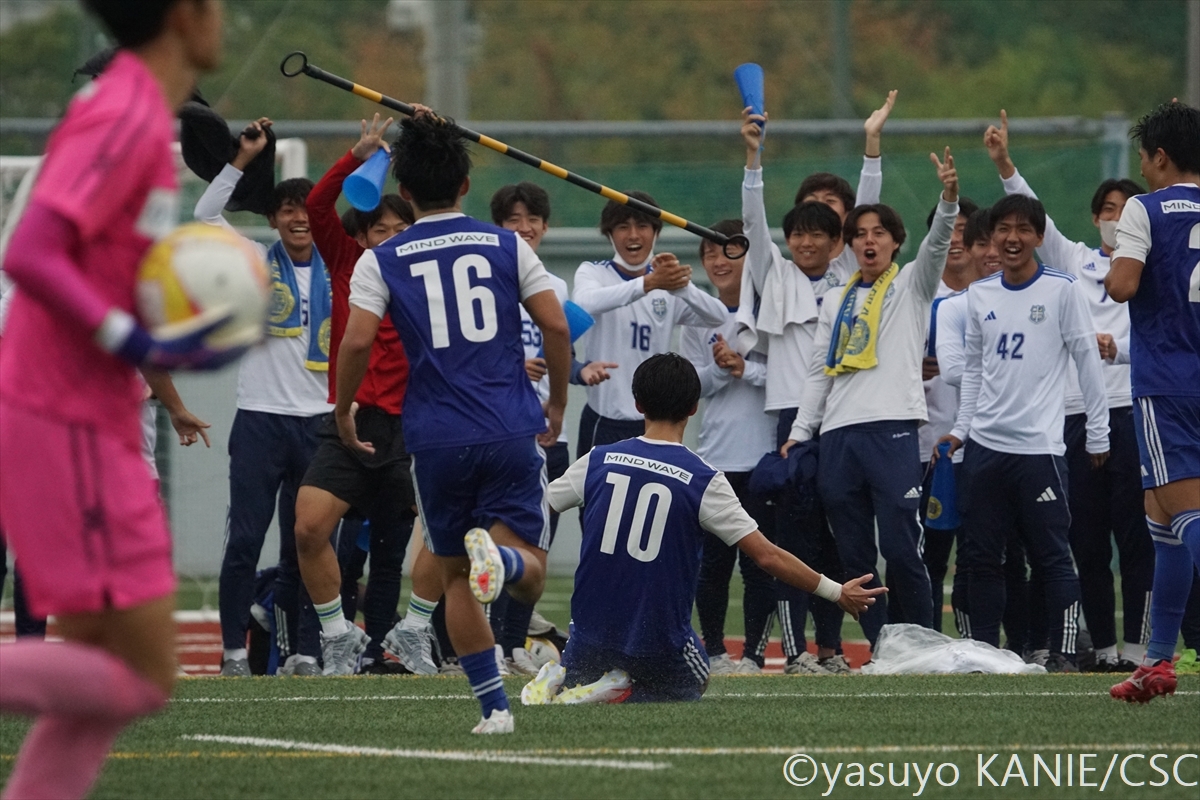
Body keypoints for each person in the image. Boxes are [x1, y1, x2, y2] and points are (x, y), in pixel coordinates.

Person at [0, 1, 224, 797]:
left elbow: (92, 268)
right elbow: (31, 253)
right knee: (142, 670)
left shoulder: (135, 114)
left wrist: (168, 327)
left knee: (104, 672)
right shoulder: (124, 114)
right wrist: (136, 342)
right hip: (64, 413)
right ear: (185, 15)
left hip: (85, 412)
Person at [339, 111, 570, 733]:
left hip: (436, 438)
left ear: (404, 192)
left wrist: (341, 408)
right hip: (508, 428)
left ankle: (494, 711)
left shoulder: (381, 258)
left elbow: (357, 341)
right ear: (465, 185)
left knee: (454, 576)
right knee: (526, 572)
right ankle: (504, 561)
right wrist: (556, 403)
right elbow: (554, 325)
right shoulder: (507, 245)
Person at [523, 353, 884, 704]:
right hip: (658, 642)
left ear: (638, 405)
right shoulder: (702, 479)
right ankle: (614, 693)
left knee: (589, 666)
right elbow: (767, 557)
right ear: (694, 408)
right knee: (696, 679)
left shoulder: (598, 459)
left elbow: (537, 508)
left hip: (589, 637)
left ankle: (572, 680)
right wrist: (837, 592)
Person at [987, 109, 1153, 671]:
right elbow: (1032, 215)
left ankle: (1139, 650)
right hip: (1075, 417)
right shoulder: (1075, 261)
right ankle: (1101, 648)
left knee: (1137, 538)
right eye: (1107, 210)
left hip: (1132, 410)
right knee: (1085, 540)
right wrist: (1005, 164)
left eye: (1125, 211)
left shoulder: (1153, 270)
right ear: (1095, 218)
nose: (1114, 219)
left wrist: (1118, 350)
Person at [781, 148, 961, 650]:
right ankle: (883, 646)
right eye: (859, 233)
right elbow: (818, 372)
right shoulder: (836, 299)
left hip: (892, 429)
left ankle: (921, 646)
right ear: (849, 244)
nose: (868, 240)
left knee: (901, 549)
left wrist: (949, 198)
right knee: (855, 557)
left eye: (878, 232)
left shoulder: (912, 284)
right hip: (839, 435)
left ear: (896, 242)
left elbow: (938, 243)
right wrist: (800, 432)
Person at [941, 193, 1110, 673]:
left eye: (1023, 229)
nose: (1012, 238)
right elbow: (975, 371)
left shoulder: (1063, 289)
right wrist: (962, 430)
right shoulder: (980, 294)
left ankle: (1061, 653)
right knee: (981, 559)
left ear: (1037, 237)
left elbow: (1087, 361)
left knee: (1052, 557)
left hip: (1040, 451)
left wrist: (1098, 433)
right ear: (992, 236)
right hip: (985, 449)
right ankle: (983, 655)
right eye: (1003, 229)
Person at [194, 122, 334, 677]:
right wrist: (243, 159)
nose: (299, 219)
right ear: (273, 219)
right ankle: (233, 652)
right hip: (260, 421)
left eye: (307, 210)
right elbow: (206, 215)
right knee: (245, 541)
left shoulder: (343, 267)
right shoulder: (253, 259)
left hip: (319, 424)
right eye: (287, 210)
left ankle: (305, 651)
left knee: (308, 544)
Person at [292, 113, 419, 676]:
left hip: (411, 426)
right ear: (363, 237)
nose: (390, 238)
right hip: (351, 420)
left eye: (400, 229)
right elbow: (316, 206)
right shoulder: (347, 261)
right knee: (310, 528)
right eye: (380, 230)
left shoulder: (425, 274)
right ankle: (337, 634)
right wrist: (357, 156)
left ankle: (396, 643)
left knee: (395, 551)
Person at [1105, 101, 1200, 702]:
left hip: (1168, 381)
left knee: (1187, 517)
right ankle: (1158, 660)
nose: (1141, 168)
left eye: (1143, 157)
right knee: (1162, 520)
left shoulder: (1145, 207)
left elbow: (1122, 285)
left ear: (1160, 158)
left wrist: (1113, 266)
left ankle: (1160, 658)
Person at [678, 219, 776, 676]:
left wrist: (745, 368)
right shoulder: (698, 315)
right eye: (709, 253)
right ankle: (715, 652)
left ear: (749, 258)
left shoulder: (772, 310)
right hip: (715, 458)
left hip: (763, 457)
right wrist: (721, 369)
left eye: (728, 252)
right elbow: (689, 386)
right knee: (712, 565)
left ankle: (754, 655)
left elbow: (796, 378)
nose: (717, 261)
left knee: (761, 565)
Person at [572, 192, 726, 456]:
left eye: (642, 226)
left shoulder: (667, 285)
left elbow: (717, 316)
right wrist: (647, 284)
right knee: (594, 484)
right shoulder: (594, 272)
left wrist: (681, 288)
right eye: (623, 227)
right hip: (605, 422)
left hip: (654, 424)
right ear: (610, 234)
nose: (633, 235)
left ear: (656, 232)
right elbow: (584, 303)